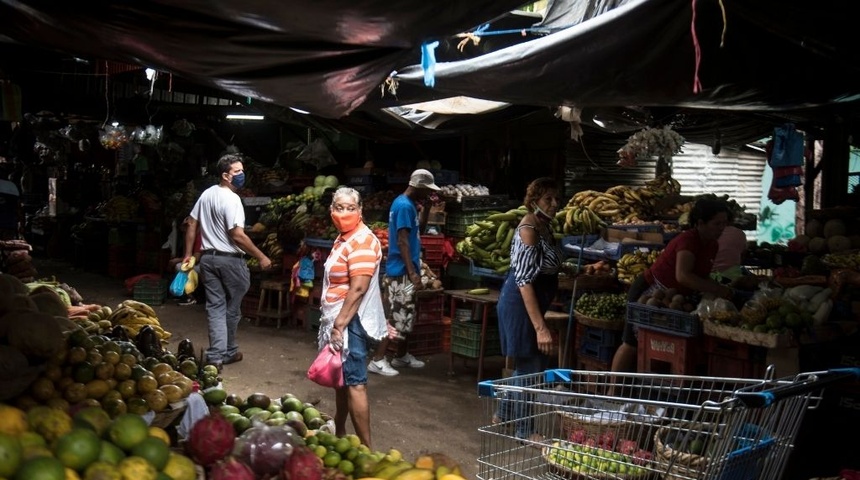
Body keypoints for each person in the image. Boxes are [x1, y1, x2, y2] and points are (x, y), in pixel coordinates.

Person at [610, 198, 734, 373]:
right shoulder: (688, 240)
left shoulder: (712, 245)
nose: (722, 228)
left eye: (724, 223)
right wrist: (716, 288)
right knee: (631, 343)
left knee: (661, 345)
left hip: (672, 298)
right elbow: (683, 275)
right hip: (649, 290)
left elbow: (700, 277)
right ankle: (612, 391)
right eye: (717, 223)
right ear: (700, 223)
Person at [183, 153, 272, 371]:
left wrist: (188, 254)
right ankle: (228, 351)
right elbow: (237, 235)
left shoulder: (206, 195)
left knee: (215, 307)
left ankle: (216, 356)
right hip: (230, 260)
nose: (242, 175)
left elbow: (191, 223)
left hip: (208, 260)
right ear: (225, 175)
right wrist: (261, 256)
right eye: (237, 172)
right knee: (232, 309)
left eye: (242, 170)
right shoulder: (232, 200)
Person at [318, 187, 388, 448]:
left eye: (350, 208)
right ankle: (339, 430)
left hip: (351, 321)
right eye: (339, 207)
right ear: (331, 210)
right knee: (342, 382)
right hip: (340, 318)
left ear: (360, 211)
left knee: (355, 383)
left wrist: (339, 325)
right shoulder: (343, 238)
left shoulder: (363, 241)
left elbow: (358, 288)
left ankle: (368, 450)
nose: (344, 212)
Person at [494, 177, 563, 442]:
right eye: (548, 199)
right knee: (531, 366)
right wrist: (541, 328)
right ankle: (526, 431)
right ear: (534, 201)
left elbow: (544, 264)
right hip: (520, 303)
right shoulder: (528, 229)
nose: (554, 204)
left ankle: (502, 413)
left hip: (533, 302)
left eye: (556, 198)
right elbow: (523, 281)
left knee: (528, 365)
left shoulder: (545, 225)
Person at [368, 169, 440, 376]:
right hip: (400, 273)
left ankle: (401, 355)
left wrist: (426, 209)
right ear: (419, 187)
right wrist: (412, 272)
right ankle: (378, 359)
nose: (428, 194)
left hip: (405, 274)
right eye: (426, 191)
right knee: (395, 314)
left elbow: (418, 232)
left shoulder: (409, 206)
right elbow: (402, 241)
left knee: (406, 311)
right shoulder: (403, 206)